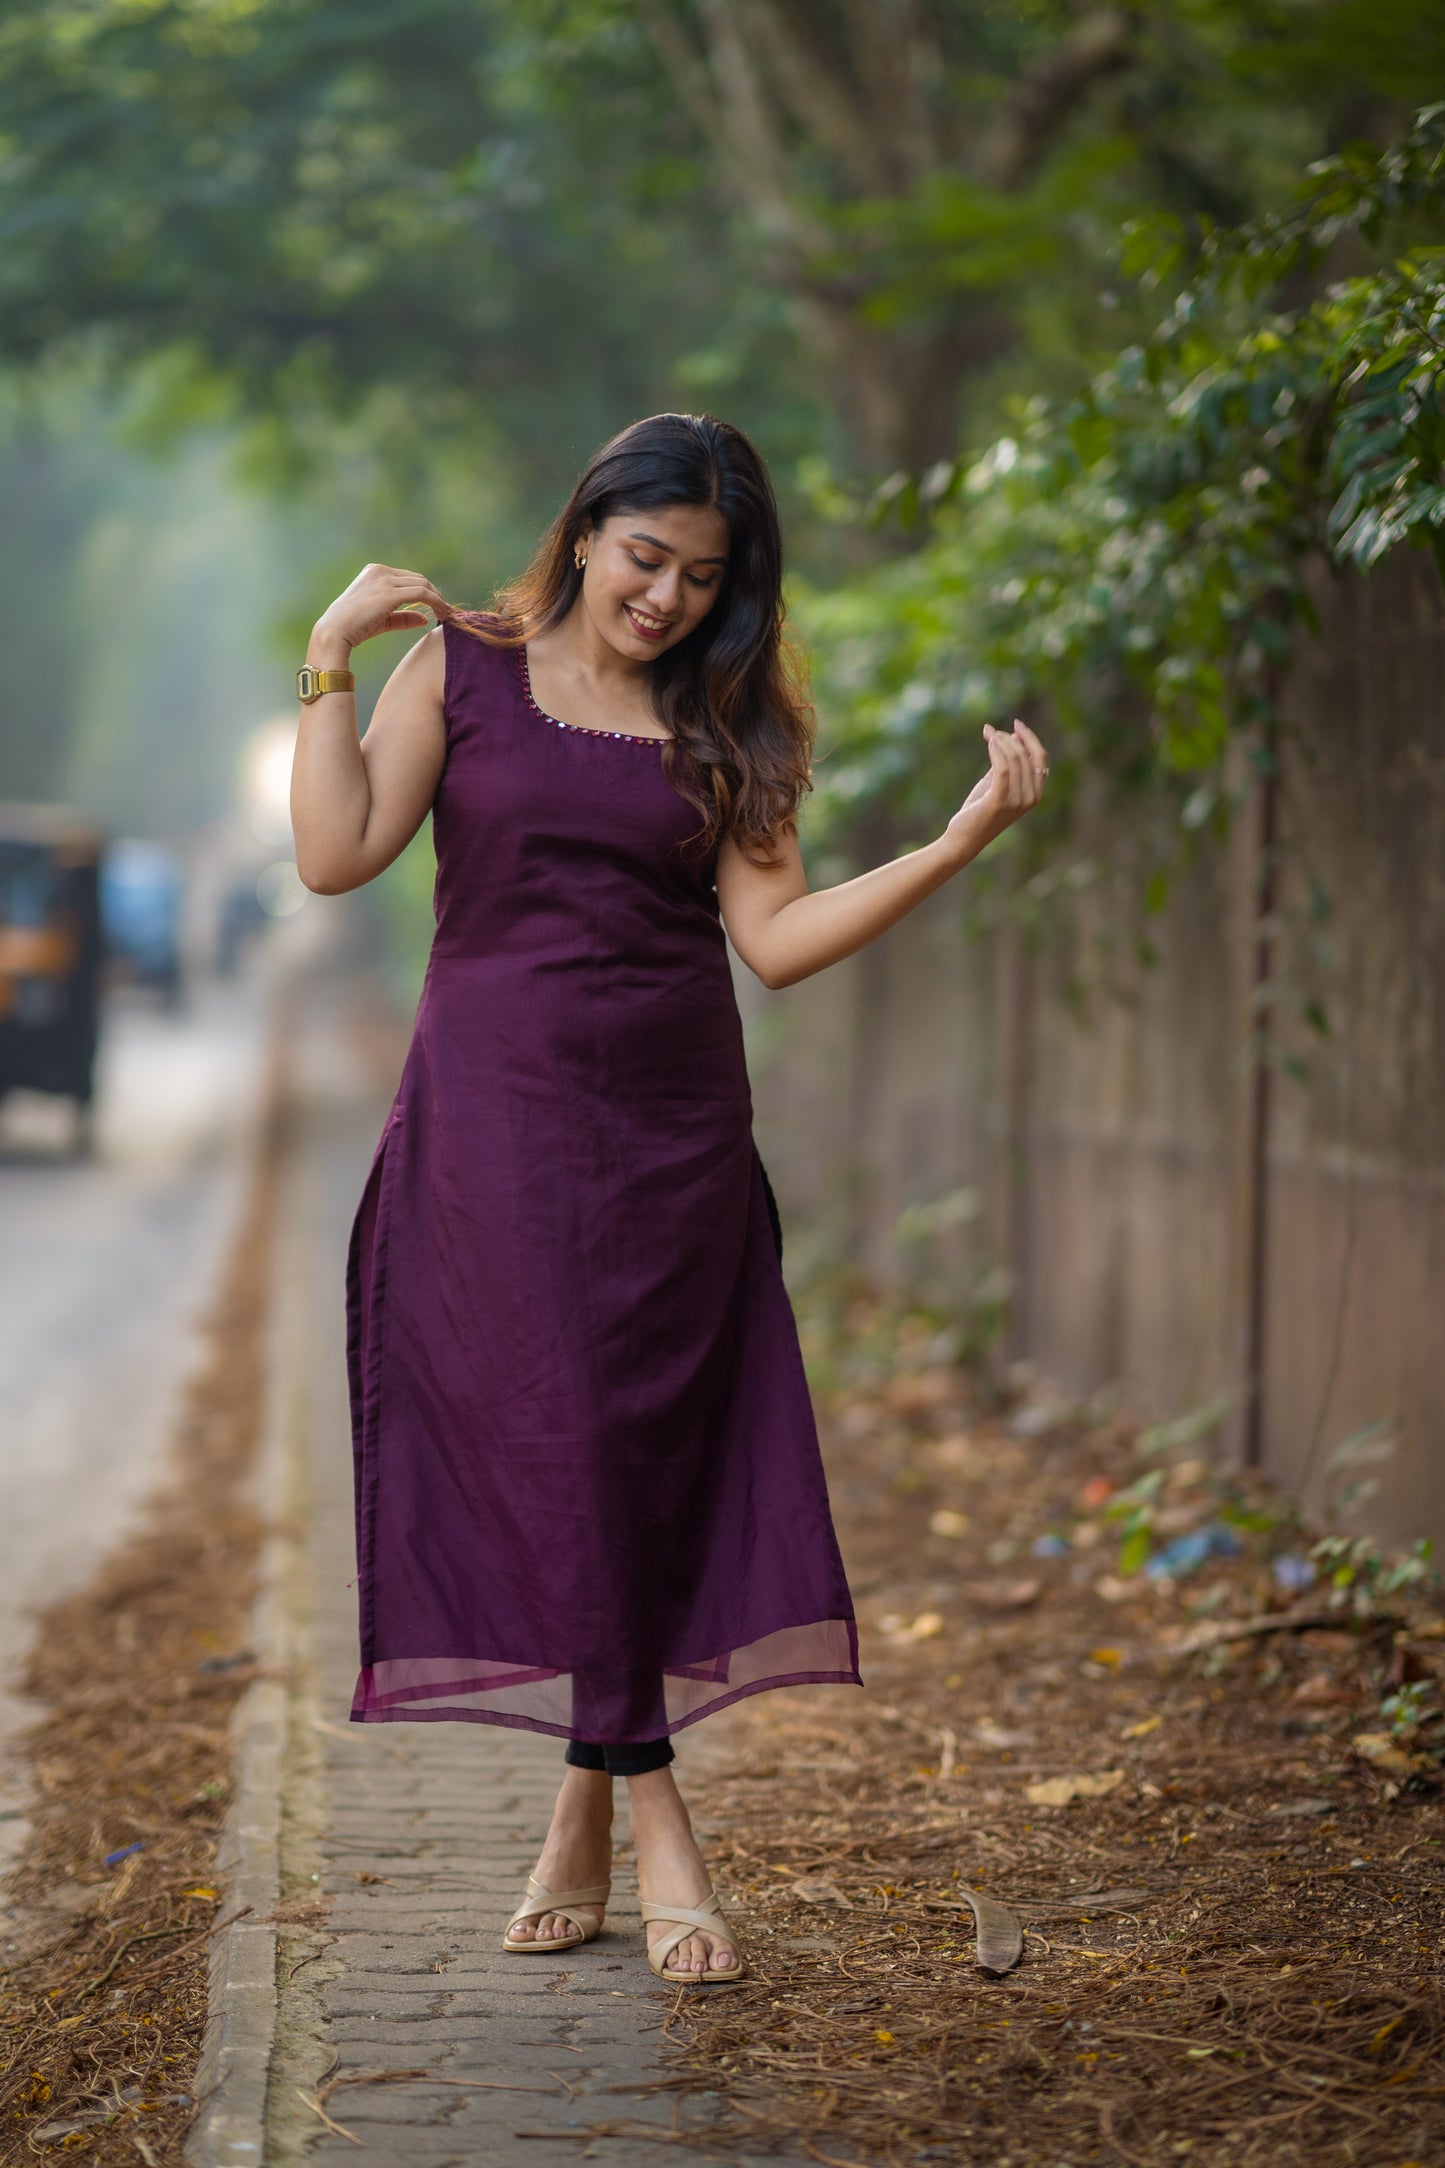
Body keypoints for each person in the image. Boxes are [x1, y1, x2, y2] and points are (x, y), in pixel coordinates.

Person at [290, 412, 1048, 1988]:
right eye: (647, 559)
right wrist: (327, 661)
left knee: (635, 1459)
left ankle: (582, 1810)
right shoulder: (468, 676)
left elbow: (771, 940)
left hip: (673, 1139)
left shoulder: (725, 722)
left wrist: (954, 843)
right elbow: (335, 852)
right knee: (553, 1443)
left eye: (704, 577)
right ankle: (660, 1830)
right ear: (584, 534)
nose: (668, 599)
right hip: (492, 1133)